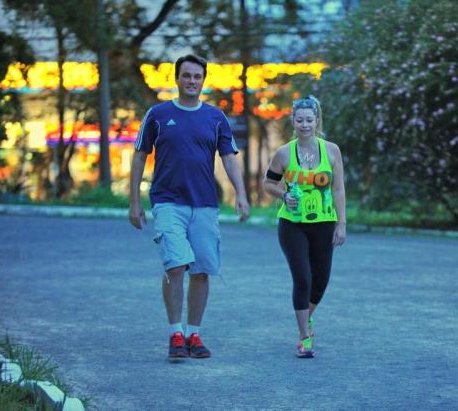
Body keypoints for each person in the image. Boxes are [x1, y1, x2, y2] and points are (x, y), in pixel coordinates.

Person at [128, 54, 250, 359]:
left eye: (197, 76)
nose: (192, 81)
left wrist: (242, 193)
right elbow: (140, 156)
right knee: (176, 264)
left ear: (203, 80)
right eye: (186, 76)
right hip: (168, 201)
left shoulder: (216, 117)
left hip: (206, 204)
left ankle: (194, 333)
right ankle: (175, 333)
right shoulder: (157, 114)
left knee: (202, 270)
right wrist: (134, 202)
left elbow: (229, 158)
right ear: (177, 78)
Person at [263, 96, 346, 358]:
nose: (305, 124)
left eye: (309, 120)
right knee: (303, 279)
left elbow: (339, 188)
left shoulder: (332, 150)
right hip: (292, 224)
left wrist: (341, 223)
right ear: (293, 121)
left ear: (317, 120)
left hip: (324, 223)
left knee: (320, 283)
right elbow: (268, 183)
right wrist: (284, 195)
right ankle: (303, 337)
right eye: (300, 120)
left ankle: (305, 317)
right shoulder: (284, 153)